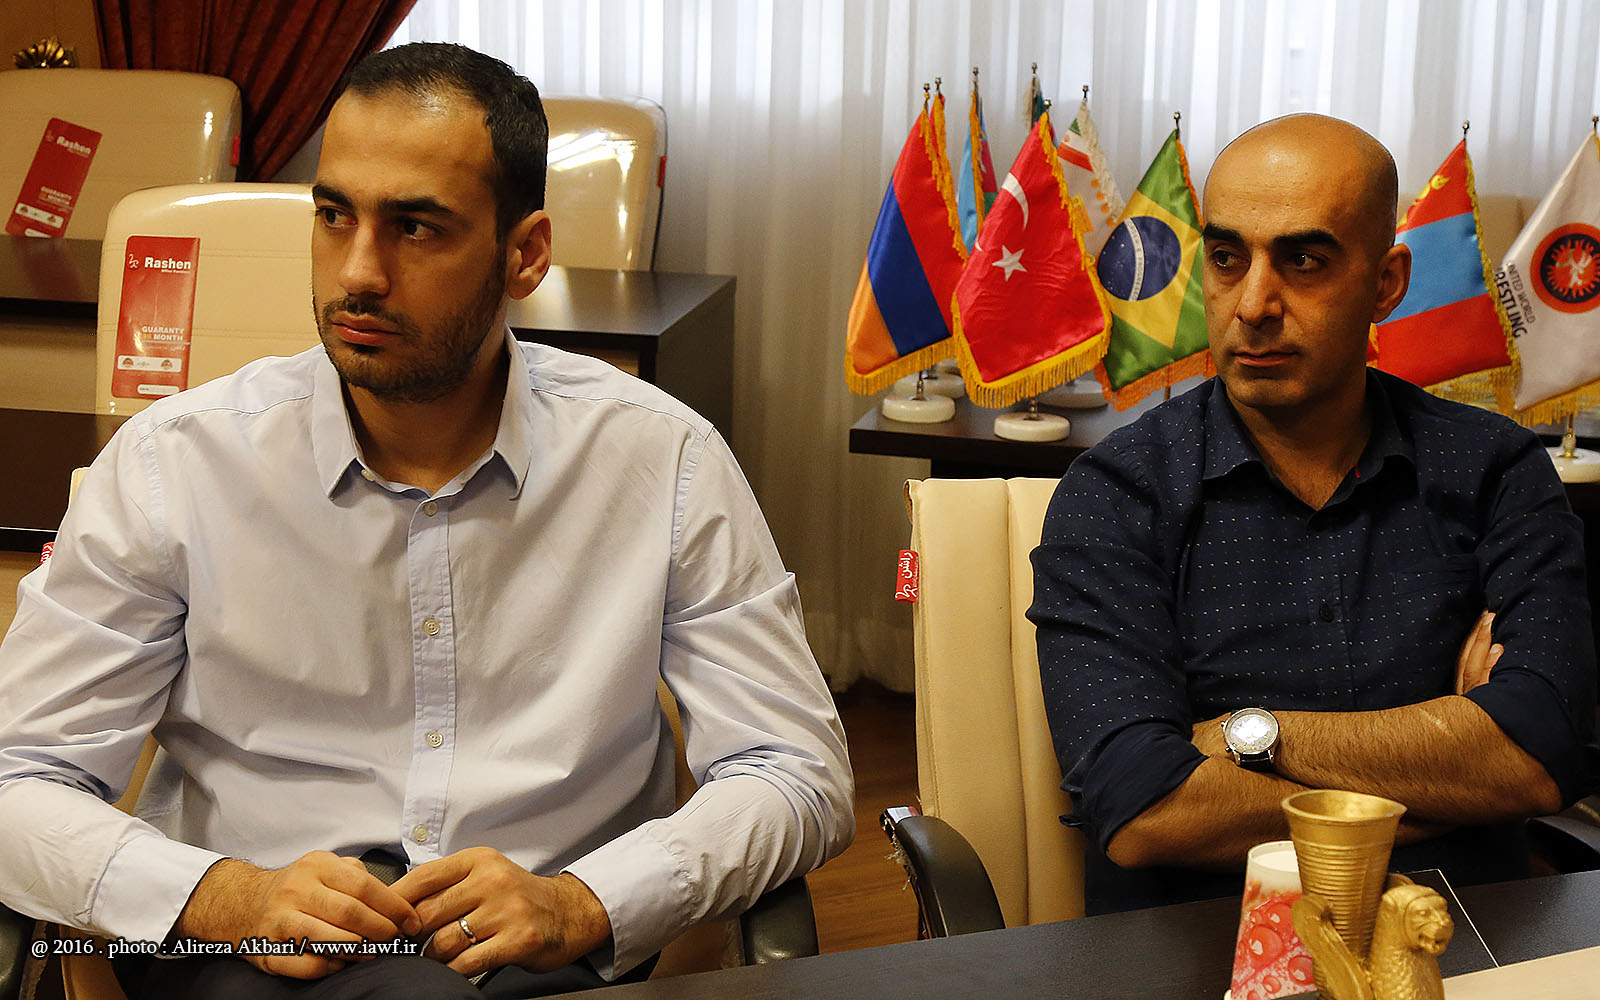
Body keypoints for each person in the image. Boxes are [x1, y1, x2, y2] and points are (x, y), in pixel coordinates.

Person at [0, 43, 853, 998]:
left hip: (543, 952)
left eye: (415, 227)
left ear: (525, 253)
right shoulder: (175, 463)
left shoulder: (663, 459)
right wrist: (224, 896)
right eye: (334, 216)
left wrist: (587, 901)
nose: (358, 272)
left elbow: (795, 772)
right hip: (248, 953)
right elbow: (16, 779)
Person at [1029, 114, 1596, 914]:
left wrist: (1247, 735)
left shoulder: (1495, 471)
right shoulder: (1117, 493)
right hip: (1201, 948)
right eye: (1227, 259)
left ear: (1386, 283)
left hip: (1460, 935)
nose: (1254, 303)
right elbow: (1143, 806)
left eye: (1303, 261)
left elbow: (1542, 751)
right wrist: (1455, 762)